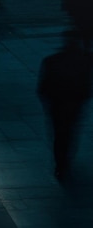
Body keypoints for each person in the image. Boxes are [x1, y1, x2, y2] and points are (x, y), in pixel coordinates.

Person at [37, 32, 93, 179]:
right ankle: (65, 160)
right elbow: (86, 84)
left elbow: (43, 87)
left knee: (58, 134)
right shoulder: (85, 61)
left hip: (57, 104)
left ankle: (60, 162)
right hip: (74, 104)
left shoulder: (51, 61)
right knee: (70, 132)